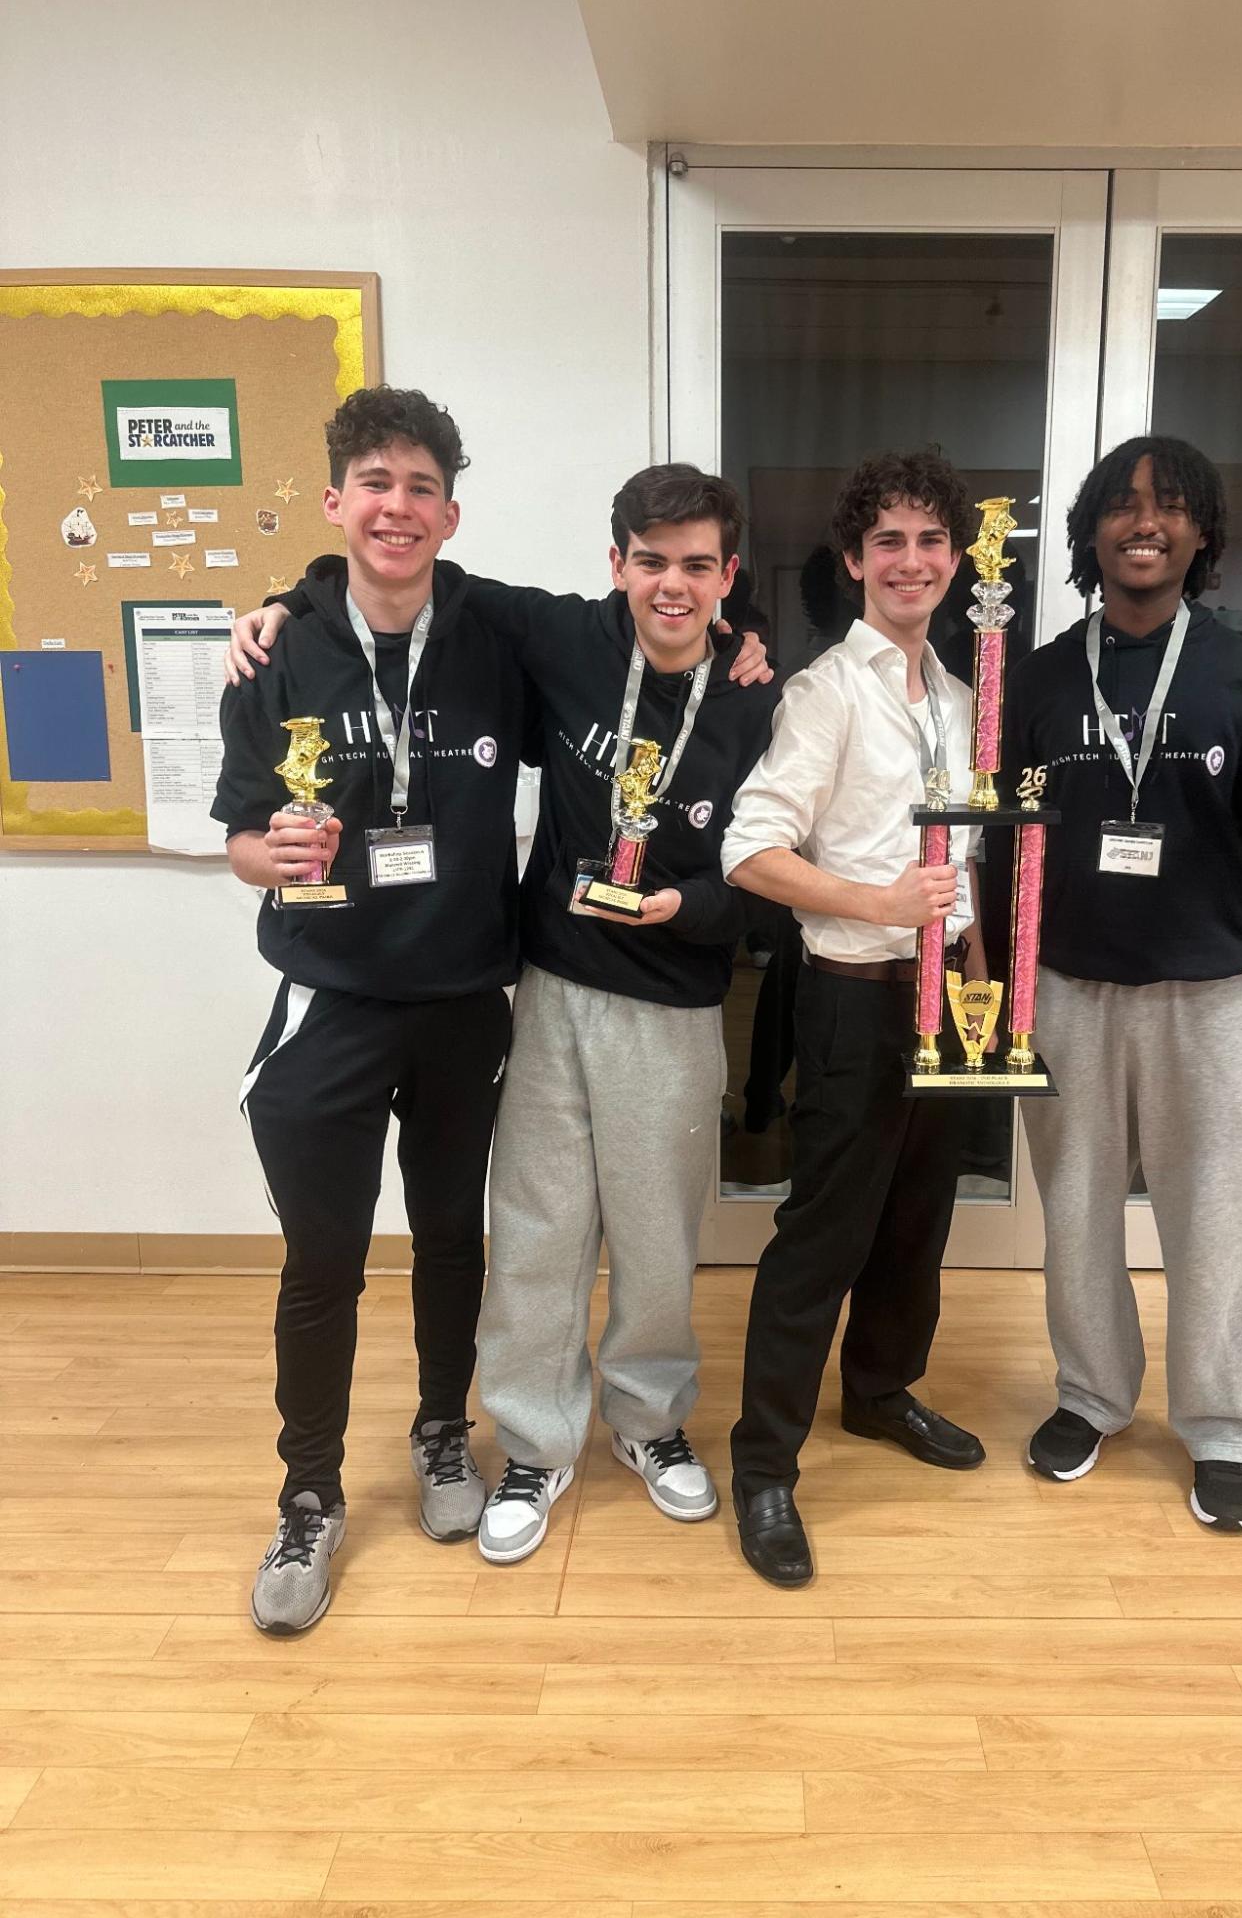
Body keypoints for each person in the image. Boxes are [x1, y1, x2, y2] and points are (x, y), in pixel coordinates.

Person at [1005, 434, 1242, 1532]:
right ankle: (1092, 1395)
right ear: (1091, 531)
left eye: (1169, 505)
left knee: (1218, 1221)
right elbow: (1002, 835)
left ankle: (1221, 1427)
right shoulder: (1040, 677)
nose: (1145, 523)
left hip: (1212, 994)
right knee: (1076, 1216)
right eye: (1122, 505)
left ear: (1201, 532)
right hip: (1070, 990)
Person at [213, 386, 529, 1634]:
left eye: (421, 488)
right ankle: (308, 1491)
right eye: (375, 484)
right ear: (336, 501)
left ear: (451, 513)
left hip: (462, 1001)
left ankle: (444, 1430)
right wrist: (272, 858)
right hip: (331, 1001)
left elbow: (636, 629)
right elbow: (240, 835)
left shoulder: (495, 634)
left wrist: (748, 630)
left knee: (452, 1238)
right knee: (324, 1262)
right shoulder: (278, 650)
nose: (398, 508)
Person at [467, 466, 779, 1563]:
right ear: (617, 565)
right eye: (651, 561)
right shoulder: (566, 638)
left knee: (657, 1236)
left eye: (697, 564)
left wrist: (688, 907)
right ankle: (534, 1440)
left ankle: (647, 1420)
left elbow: (765, 874)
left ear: (729, 576)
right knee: (540, 1228)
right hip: (554, 987)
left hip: (674, 1002)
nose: (671, 585)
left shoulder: (757, 700)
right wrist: (301, 592)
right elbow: (421, 582)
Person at [721, 449, 991, 1588]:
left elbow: (964, 859)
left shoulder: (963, 699)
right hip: (853, 996)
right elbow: (749, 850)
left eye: (930, 541)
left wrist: (974, 960)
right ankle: (764, 1466)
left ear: (956, 560)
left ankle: (880, 1391)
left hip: (949, 1004)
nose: (910, 561)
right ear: (853, 560)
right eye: (889, 542)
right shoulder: (825, 692)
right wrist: (878, 903)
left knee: (916, 1221)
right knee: (823, 1237)